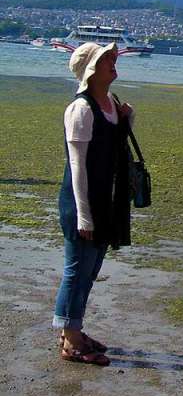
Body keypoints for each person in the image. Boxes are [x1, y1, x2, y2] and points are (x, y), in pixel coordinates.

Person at [53, 42, 134, 366]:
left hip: (107, 200)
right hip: (81, 202)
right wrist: (83, 216)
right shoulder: (81, 109)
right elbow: (77, 166)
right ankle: (71, 339)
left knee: (90, 271)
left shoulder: (111, 104)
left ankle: (74, 329)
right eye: (105, 60)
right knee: (76, 270)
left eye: (113, 58)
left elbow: (115, 148)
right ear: (90, 70)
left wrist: (129, 118)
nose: (113, 62)